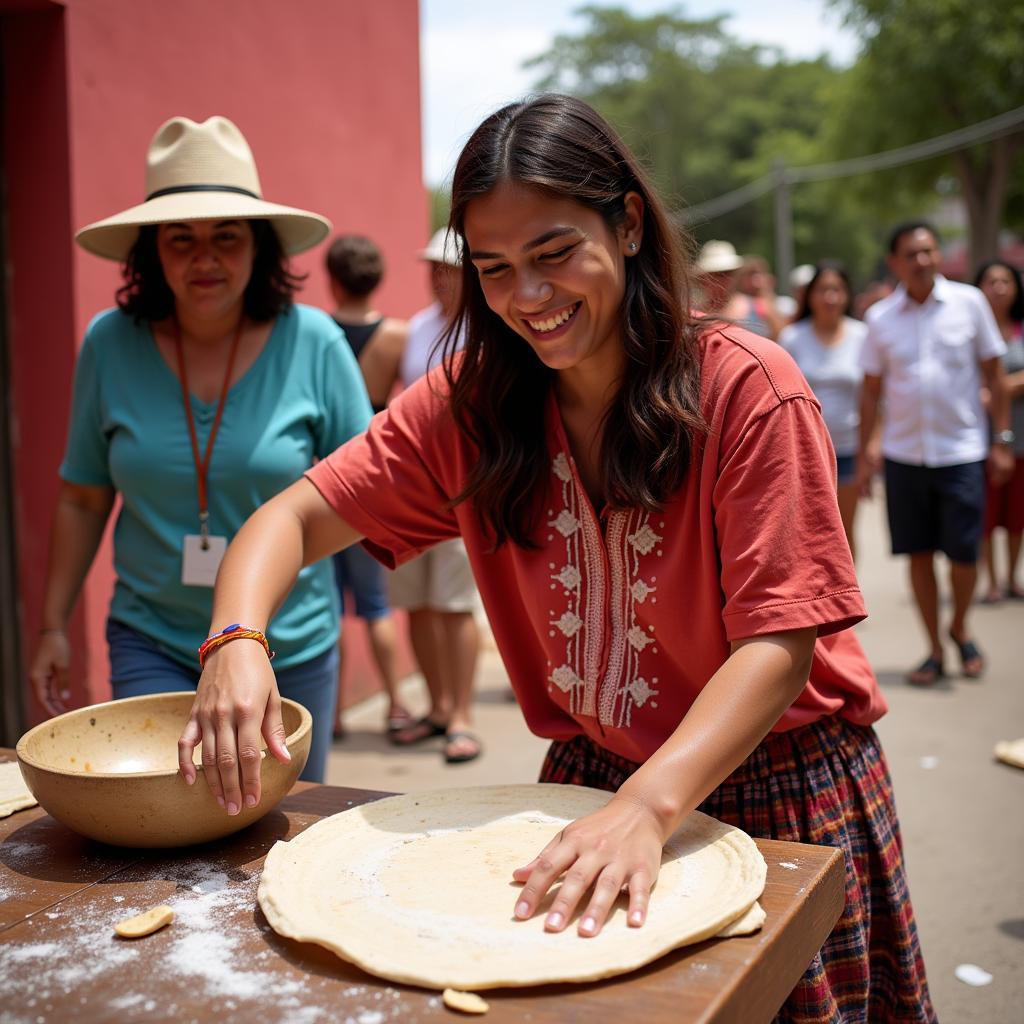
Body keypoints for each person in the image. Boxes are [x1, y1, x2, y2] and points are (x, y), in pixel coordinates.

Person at [180, 95, 934, 1022]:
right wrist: (237, 640)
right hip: (588, 792)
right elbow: (287, 520)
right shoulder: (472, 403)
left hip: (776, 787)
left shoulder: (746, 388)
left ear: (624, 224)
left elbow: (781, 641)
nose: (525, 297)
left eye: (552, 253)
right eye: (493, 268)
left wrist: (651, 811)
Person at [28, 116, 372, 785]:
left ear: (261, 247)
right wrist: (51, 626)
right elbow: (82, 495)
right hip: (152, 637)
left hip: (290, 646)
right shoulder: (108, 344)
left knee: (276, 833)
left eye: (226, 237)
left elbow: (363, 493)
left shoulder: (317, 343)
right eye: (180, 238)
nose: (204, 258)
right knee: (156, 830)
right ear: (151, 251)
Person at [857, 222, 1013, 686]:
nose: (922, 260)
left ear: (939, 255)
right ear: (895, 262)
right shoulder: (881, 319)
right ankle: (933, 648)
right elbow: (870, 391)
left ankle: (960, 625)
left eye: (929, 251)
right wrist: (869, 451)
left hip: (962, 452)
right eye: (911, 253)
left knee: (965, 554)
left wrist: (1001, 442)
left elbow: (995, 375)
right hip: (904, 456)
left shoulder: (969, 303)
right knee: (918, 553)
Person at [368, 228, 483, 764]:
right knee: (415, 604)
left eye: (450, 268)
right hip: (416, 489)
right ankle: (436, 708)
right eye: (434, 268)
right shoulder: (415, 328)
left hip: (466, 487)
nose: (440, 277)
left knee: (455, 606)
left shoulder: (490, 327)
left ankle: (462, 714)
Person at [324, 234, 411, 737]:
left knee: (329, 604)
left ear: (333, 278)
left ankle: (332, 713)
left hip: (325, 474)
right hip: (371, 477)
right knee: (376, 603)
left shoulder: (319, 334)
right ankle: (397, 703)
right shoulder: (396, 336)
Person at [779, 261, 868, 558]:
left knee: (843, 529)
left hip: (849, 448)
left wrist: (873, 444)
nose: (830, 297)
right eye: (822, 290)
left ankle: (847, 598)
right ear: (810, 296)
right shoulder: (793, 337)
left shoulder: (862, 335)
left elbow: (874, 396)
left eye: (837, 290)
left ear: (847, 295)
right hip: (805, 450)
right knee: (809, 530)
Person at [973, 259, 1024, 602]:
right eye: (991, 281)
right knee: (987, 515)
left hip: (1020, 433)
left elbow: (997, 382)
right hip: (978, 437)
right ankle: (989, 580)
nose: (999, 288)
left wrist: (998, 388)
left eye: (1006, 281)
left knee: (1017, 513)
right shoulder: (971, 328)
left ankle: (1011, 576)